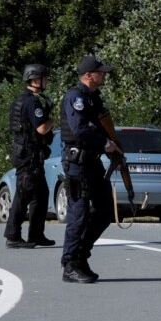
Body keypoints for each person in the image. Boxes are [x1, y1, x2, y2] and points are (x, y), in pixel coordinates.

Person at [59, 56, 118, 283]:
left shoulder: (94, 98)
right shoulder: (76, 97)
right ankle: (70, 264)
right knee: (79, 214)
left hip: (93, 163)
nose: (103, 75)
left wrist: (114, 147)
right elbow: (80, 129)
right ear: (88, 75)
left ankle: (81, 254)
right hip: (78, 165)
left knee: (104, 211)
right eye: (100, 72)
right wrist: (105, 144)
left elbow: (103, 126)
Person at [4, 64, 56, 248]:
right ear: (35, 80)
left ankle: (36, 234)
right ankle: (13, 236)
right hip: (29, 154)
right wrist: (52, 119)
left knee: (40, 194)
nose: (47, 81)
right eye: (44, 78)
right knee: (24, 193)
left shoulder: (22, 100)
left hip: (27, 152)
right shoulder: (32, 102)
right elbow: (41, 128)